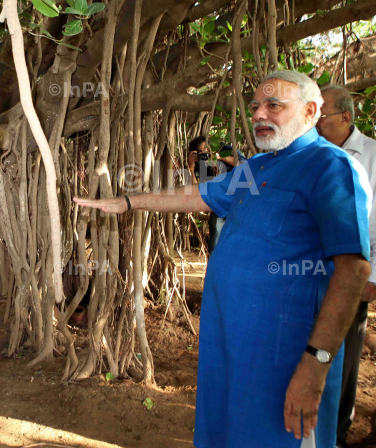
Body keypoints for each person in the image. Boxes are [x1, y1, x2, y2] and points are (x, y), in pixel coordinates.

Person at [74, 70, 372, 448]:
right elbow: (197, 195)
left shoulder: (331, 167)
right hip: (231, 348)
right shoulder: (260, 166)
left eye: (274, 106)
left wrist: (316, 364)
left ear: (311, 111)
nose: (260, 114)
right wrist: (129, 202)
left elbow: (353, 269)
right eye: (255, 106)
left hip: (284, 356)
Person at [317, 85, 376, 448]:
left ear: (346, 117)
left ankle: (334, 435)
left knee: (342, 359)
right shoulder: (311, 153)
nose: (316, 123)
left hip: (352, 278)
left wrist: (373, 280)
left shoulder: (372, 156)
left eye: (321, 116)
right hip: (305, 277)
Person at [187, 136, 246, 253]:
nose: (205, 154)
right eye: (200, 152)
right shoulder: (201, 164)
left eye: (206, 149)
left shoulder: (226, 150)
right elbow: (194, 190)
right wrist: (191, 167)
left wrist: (218, 157)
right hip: (218, 209)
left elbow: (245, 165)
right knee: (216, 248)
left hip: (240, 205)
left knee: (241, 247)